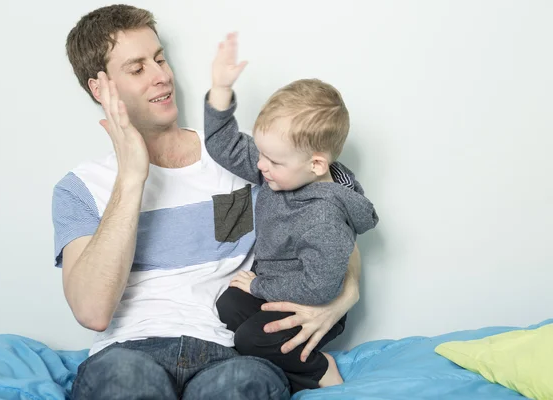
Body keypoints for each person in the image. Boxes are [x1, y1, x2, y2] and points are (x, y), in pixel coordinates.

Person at [53, 4, 363, 399]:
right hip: (127, 354)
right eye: (137, 68)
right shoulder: (79, 188)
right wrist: (132, 177)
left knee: (240, 386)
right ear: (101, 89)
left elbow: (331, 207)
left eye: (160, 58)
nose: (162, 76)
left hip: (231, 353)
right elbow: (92, 312)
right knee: (125, 383)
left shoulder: (244, 160)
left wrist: (345, 295)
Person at [204, 33, 379, 394]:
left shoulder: (325, 216)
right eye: (262, 154)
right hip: (274, 286)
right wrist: (220, 92)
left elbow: (319, 287)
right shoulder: (283, 169)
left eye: (273, 161)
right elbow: (224, 145)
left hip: (315, 301)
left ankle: (319, 370)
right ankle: (277, 361)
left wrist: (259, 285)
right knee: (229, 307)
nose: (261, 166)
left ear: (316, 164)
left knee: (254, 339)